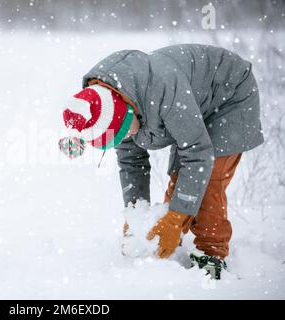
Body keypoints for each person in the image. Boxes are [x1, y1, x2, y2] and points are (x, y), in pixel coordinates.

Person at [60, 44, 264, 279]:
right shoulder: (106, 103)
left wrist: (176, 218)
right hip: (192, 100)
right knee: (181, 184)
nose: (126, 138)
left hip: (229, 93)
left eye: (125, 132)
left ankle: (211, 255)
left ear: (129, 112)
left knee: (208, 182)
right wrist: (136, 213)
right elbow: (131, 163)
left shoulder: (162, 89)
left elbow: (198, 156)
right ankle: (167, 245)